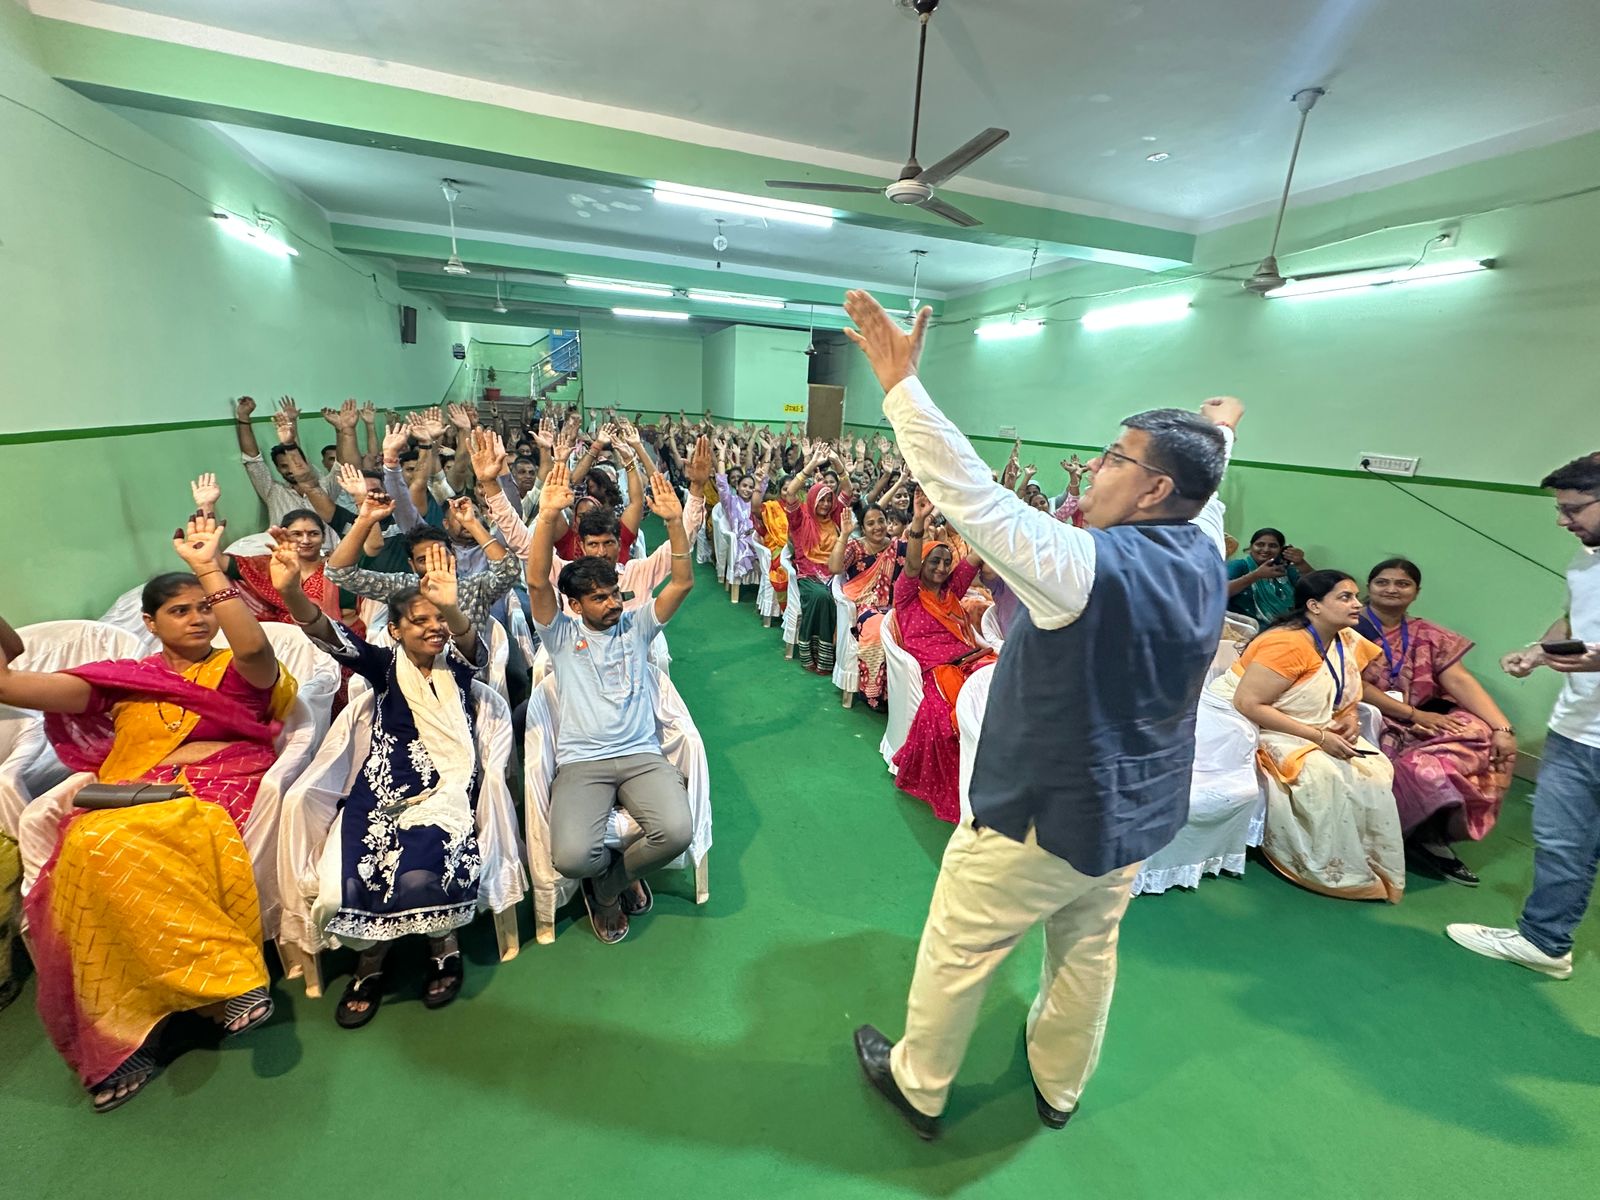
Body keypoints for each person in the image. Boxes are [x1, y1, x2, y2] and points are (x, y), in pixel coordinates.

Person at [841, 290, 1235, 1139]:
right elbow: (1211, 490)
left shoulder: (1085, 566)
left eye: (1114, 458)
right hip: (1134, 814)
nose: (1097, 468)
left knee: (960, 948)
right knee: (1088, 951)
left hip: (1044, 814)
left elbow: (973, 497)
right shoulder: (1207, 551)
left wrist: (903, 386)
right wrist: (1221, 432)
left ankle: (918, 1084)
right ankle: (1060, 1086)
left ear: (1155, 488)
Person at [3, 516, 297, 1111]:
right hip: (128, 799)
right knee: (85, 850)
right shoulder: (122, 682)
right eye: (179, 611)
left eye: (203, 609)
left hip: (215, 790)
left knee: (138, 836)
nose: (197, 619)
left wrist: (208, 569)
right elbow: (7, 684)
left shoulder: (236, 671)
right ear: (150, 623)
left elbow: (255, 647)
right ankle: (131, 1027)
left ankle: (225, 982)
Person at [276, 534, 489, 1025]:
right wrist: (290, 592)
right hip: (382, 786)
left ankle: (443, 943)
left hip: (445, 784)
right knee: (350, 874)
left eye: (438, 620)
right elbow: (326, 633)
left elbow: (470, 645)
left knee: (426, 863)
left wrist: (450, 607)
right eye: (420, 621)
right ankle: (371, 957)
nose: (434, 628)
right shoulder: (383, 667)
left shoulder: (456, 665)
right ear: (394, 630)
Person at [526, 460, 695, 945]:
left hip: (641, 755)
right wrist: (546, 516)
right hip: (583, 762)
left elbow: (681, 583)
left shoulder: (638, 626)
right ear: (575, 605)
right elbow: (537, 583)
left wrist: (675, 522)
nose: (613, 604)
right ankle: (608, 877)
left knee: (676, 832)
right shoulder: (561, 636)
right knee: (570, 857)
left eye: (615, 595)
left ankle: (607, 888)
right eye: (599, 599)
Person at [1448, 452, 1600, 979]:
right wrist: (1538, 651)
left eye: (1574, 508)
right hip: (1577, 729)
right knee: (1562, 843)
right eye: (1560, 508)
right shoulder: (1585, 560)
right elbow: (1574, 620)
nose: (1562, 520)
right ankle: (1545, 942)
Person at [1215, 570, 1404, 902]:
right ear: (1314, 606)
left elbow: (1345, 692)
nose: (1357, 604)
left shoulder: (1345, 640)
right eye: (1345, 597)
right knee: (1322, 773)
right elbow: (1248, 703)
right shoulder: (1287, 644)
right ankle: (1322, 865)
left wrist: (1349, 719)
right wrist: (1319, 737)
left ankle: (1363, 859)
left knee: (1375, 768)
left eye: (1355, 596)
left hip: (1311, 723)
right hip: (1252, 722)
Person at [1355, 558, 1517, 885]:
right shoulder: (1348, 626)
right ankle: (1405, 832)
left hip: (1419, 715)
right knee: (1416, 766)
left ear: (1416, 592)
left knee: (1483, 736)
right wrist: (1414, 716)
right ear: (1369, 587)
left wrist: (1503, 728)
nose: (1391, 589)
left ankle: (1429, 831)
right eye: (1382, 582)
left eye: (1402, 584)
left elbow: (1458, 680)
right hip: (1363, 712)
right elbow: (1351, 683)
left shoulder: (1428, 634)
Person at [889, 491, 996, 821]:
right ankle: (963, 789)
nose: (941, 567)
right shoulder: (908, 595)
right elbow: (910, 565)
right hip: (938, 671)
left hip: (972, 660)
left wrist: (994, 503)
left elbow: (976, 554)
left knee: (1009, 691)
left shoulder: (952, 590)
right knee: (945, 720)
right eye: (933, 561)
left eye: (946, 562)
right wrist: (918, 521)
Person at [325, 489, 521, 633]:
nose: (433, 564)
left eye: (440, 555)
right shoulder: (403, 586)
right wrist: (365, 520)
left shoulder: (474, 587)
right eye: (423, 560)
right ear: (412, 565)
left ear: (453, 555)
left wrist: (471, 523)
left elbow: (509, 571)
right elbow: (339, 573)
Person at [829, 502, 902, 709]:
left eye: (881, 521)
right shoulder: (856, 547)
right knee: (878, 627)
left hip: (895, 604)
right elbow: (834, 567)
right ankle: (874, 692)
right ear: (862, 527)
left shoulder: (897, 547)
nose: (877, 527)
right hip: (864, 606)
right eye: (870, 523)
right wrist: (844, 535)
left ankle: (901, 692)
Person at [784, 448, 850, 674]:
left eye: (829, 500)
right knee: (822, 597)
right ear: (812, 500)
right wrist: (811, 464)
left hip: (835, 575)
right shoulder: (800, 519)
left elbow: (847, 490)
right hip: (809, 576)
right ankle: (812, 652)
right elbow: (790, 492)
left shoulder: (835, 517)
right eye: (821, 500)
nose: (825, 504)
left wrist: (837, 462)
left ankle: (834, 654)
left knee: (842, 598)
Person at [1226, 527, 1313, 624]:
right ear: (1251, 547)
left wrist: (1301, 563)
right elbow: (1219, 591)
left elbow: (1315, 588)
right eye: (1260, 545)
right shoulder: (1239, 566)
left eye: (1273, 546)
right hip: (1250, 628)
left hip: (1288, 625)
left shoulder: (1284, 569)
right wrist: (1256, 575)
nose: (1266, 549)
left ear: (1281, 550)